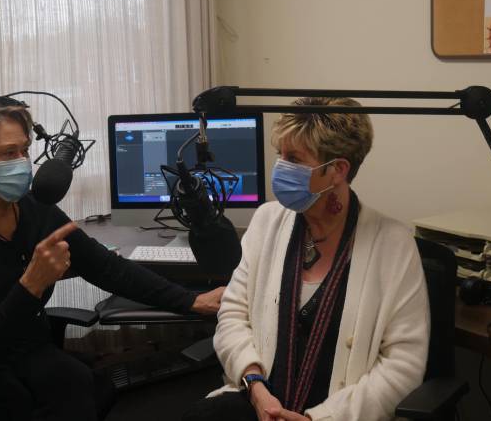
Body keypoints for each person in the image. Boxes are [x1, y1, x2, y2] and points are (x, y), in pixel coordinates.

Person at [0, 106, 224, 421]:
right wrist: (31, 284)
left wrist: (191, 300)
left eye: (24, 151)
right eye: (8, 154)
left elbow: (107, 268)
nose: (22, 163)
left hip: (27, 355)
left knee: (87, 386)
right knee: (68, 391)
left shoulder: (35, 210)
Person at [183, 97, 429, 421]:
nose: (280, 167)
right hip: (259, 403)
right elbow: (233, 314)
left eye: (294, 159)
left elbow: (403, 366)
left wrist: (319, 419)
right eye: (280, 156)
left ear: (337, 170)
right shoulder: (267, 221)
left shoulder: (393, 245)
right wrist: (255, 385)